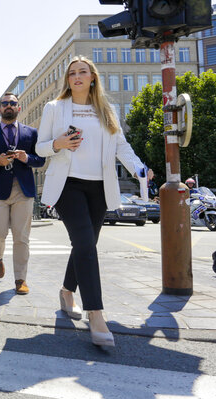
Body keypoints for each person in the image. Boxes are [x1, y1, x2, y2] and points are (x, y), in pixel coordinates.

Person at [36, 56, 151, 347]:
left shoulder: (106, 110)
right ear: (67, 80)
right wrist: (58, 144)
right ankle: (96, 314)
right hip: (68, 185)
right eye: (71, 73)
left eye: (82, 72)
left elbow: (121, 147)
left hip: (99, 187)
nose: (76, 77)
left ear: (92, 78)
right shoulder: (54, 108)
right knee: (86, 244)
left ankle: (66, 292)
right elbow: (39, 147)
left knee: (85, 245)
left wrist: (139, 169)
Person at [0, 92, 45, 295]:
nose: (8, 106)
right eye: (5, 103)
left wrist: (27, 158)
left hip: (24, 191)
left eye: (12, 103)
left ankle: (20, 279)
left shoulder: (31, 133)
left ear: (19, 108)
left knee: (21, 237)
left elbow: (40, 160)